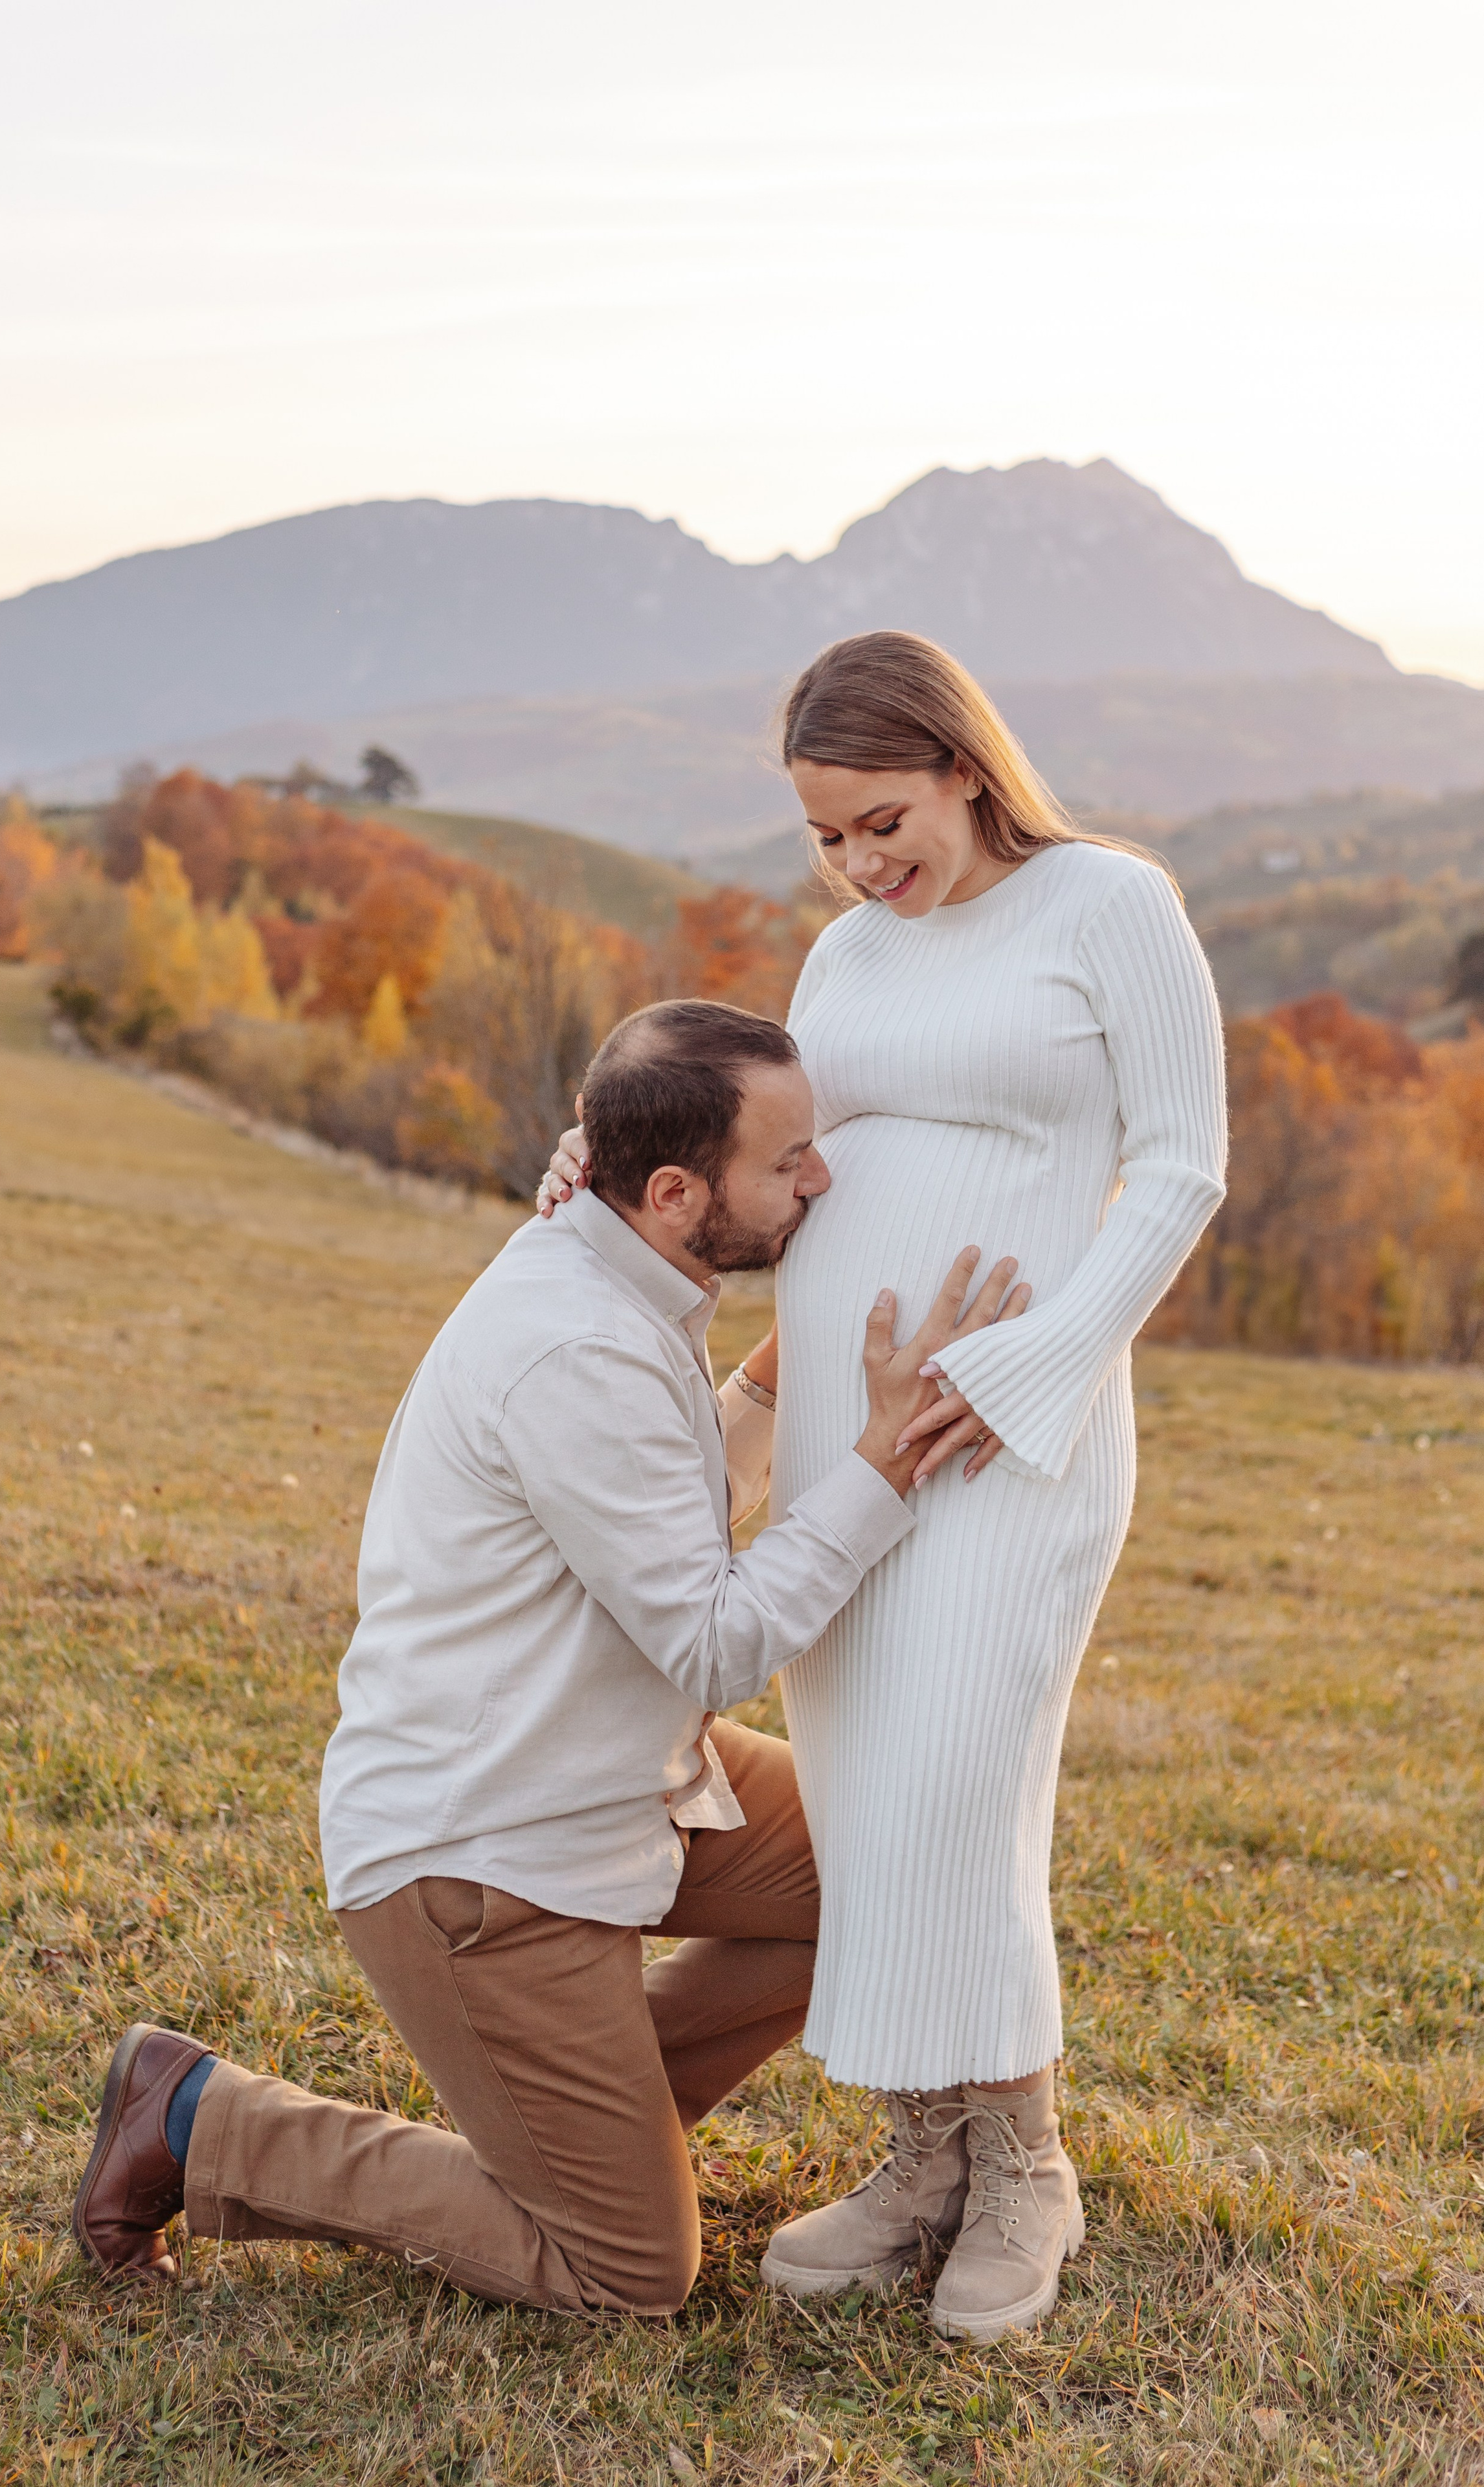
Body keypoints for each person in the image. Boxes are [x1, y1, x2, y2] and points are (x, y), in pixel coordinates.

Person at [71, 998, 1028, 2314]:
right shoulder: (574, 1343)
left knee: (884, 1848)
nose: (820, 1177)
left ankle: (590, 2135)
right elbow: (715, 1640)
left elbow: (668, 1498)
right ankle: (199, 2119)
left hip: (616, 1777)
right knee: (629, 2270)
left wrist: (792, 1358)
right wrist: (883, 1458)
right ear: (676, 1192)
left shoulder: (621, 1265)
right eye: (788, 1160)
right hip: (484, 1855)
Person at [538, 631, 1228, 2341]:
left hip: (1010, 1434)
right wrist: (614, 1159)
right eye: (826, 837)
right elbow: (788, 1152)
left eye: (880, 821)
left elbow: (1180, 1169)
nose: (856, 864)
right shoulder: (847, 954)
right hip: (853, 1441)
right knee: (862, 1795)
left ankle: (1026, 2168)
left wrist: (1028, 1365)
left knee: (955, 1789)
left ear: (961, 768)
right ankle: (925, 2158)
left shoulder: (1109, 905)